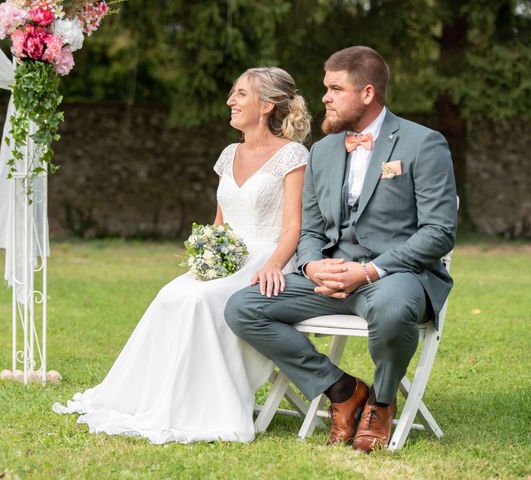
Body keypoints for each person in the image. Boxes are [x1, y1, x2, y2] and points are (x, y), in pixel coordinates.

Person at [53, 67, 312, 444]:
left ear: (267, 104)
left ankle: (204, 405)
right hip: (229, 255)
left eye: (240, 94)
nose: (230, 101)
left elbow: (293, 226)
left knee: (198, 299)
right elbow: (220, 221)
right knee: (171, 294)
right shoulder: (229, 153)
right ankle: (159, 397)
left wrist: (274, 263)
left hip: (267, 260)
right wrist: (207, 252)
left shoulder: (292, 155)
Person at [225, 46, 458, 453]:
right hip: (327, 281)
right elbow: (311, 228)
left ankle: (382, 405)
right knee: (244, 307)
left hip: (395, 279)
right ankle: (343, 390)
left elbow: (439, 232)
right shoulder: (323, 151)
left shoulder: (424, 143)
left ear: (367, 93)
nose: (325, 98)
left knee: (390, 308)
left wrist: (370, 272)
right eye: (325, 88)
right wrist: (313, 265)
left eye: (335, 89)